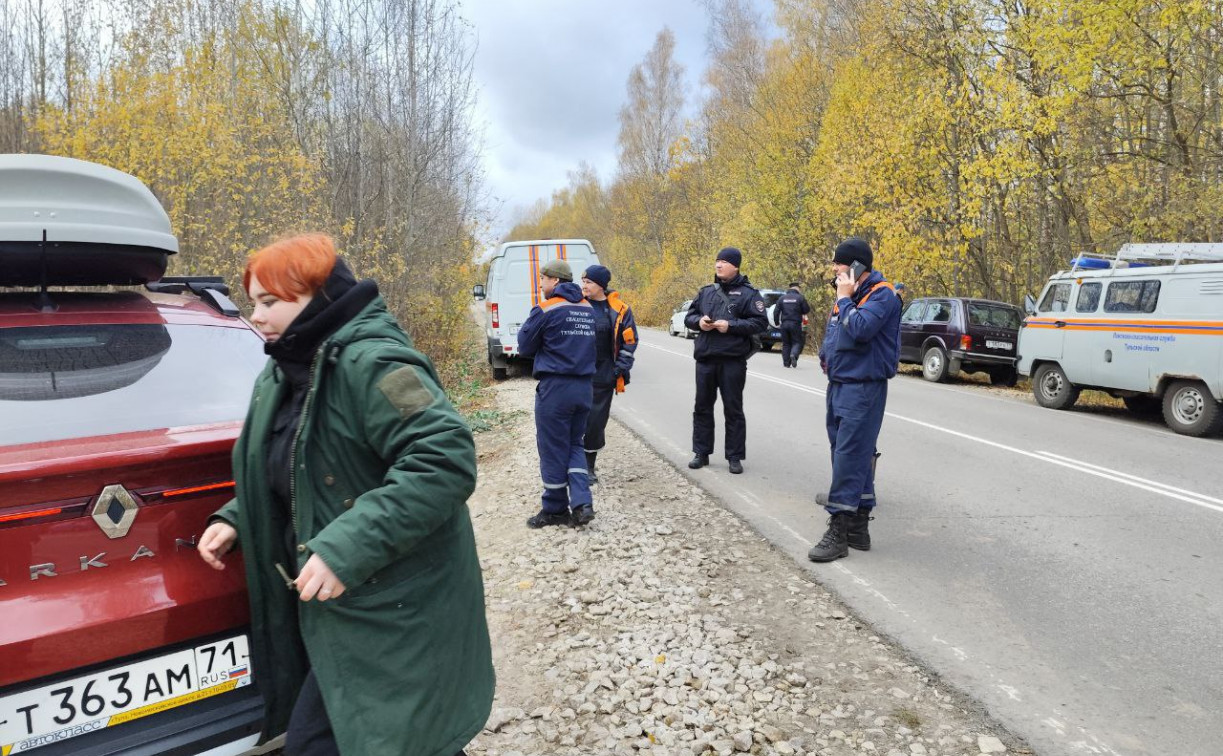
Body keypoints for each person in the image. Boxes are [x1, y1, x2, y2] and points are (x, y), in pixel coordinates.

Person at [197, 233, 493, 756]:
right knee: (392, 735)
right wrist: (239, 516)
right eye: (253, 302)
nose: (256, 316)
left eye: (270, 302)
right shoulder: (286, 368)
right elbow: (292, 462)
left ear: (319, 298)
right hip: (337, 604)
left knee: (352, 739)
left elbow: (444, 458)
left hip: (394, 602)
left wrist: (344, 548)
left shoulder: (376, 362)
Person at [809, 237, 902, 562]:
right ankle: (859, 528)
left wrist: (845, 299)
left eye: (840, 264)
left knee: (850, 454)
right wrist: (825, 357)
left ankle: (838, 529)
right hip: (840, 384)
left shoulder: (882, 296)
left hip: (864, 387)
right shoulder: (847, 296)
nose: (835, 269)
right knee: (846, 451)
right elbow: (835, 332)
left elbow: (861, 329)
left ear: (858, 266)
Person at [516, 258, 597, 527]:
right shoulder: (587, 308)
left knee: (552, 447)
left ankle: (554, 509)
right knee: (575, 443)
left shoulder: (546, 308)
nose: (540, 284)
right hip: (584, 387)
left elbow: (525, 347)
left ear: (555, 281)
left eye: (543, 279)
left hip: (556, 388)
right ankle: (582, 503)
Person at [684, 246, 768, 475]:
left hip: (732, 361)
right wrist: (698, 322)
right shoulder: (706, 292)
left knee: (733, 409)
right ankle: (701, 453)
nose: (718, 265)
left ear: (736, 266)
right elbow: (689, 316)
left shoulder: (750, 294)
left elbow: (760, 323)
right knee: (701, 407)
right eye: (717, 261)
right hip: (706, 359)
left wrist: (730, 326)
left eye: (724, 261)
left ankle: (734, 456)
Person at [580, 264, 638, 485]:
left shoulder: (619, 309)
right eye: (583, 281)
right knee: (574, 418)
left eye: (589, 282)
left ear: (601, 286)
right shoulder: (576, 304)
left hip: (603, 374)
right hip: (576, 372)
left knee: (595, 421)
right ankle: (572, 463)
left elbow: (629, 341)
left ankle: (589, 466)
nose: (584, 286)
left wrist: (620, 368)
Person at [773, 281, 811, 368]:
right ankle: (793, 354)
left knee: (786, 344)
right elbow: (806, 310)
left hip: (784, 324)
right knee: (797, 342)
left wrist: (777, 323)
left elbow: (776, 311)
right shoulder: (800, 298)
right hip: (795, 323)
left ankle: (786, 363)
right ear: (797, 288)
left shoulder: (782, 298)